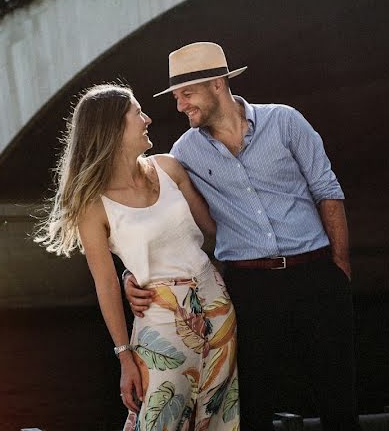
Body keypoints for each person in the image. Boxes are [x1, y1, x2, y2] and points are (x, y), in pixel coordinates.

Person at [125, 42, 359, 430]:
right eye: (176, 96)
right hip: (248, 288)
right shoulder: (183, 154)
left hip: (316, 275)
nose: (180, 105)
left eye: (186, 94)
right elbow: (151, 211)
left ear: (218, 85)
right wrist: (130, 274)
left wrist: (340, 267)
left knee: (338, 397)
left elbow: (326, 190)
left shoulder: (285, 122)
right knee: (253, 403)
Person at [35, 83, 238, 431]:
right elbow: (106, 283)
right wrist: (124, 355)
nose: (146, 119)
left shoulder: (169, 168)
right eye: (136, 113)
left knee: (219, 418)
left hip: (216, 306)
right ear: (113, 128)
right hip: (158, 318)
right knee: (158, 419)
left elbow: (214, 232)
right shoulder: (93, 205)